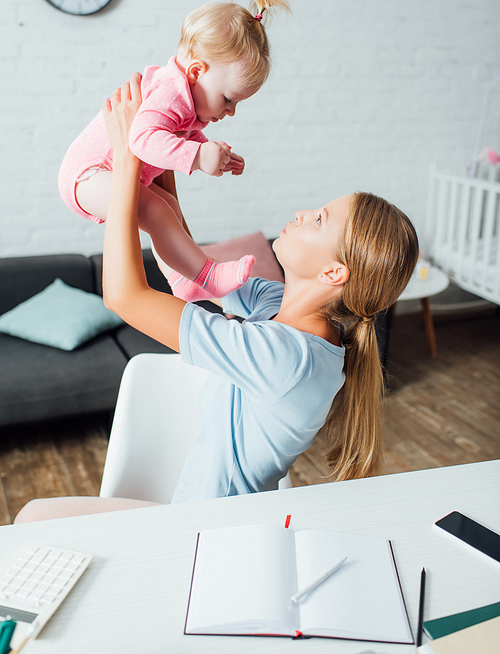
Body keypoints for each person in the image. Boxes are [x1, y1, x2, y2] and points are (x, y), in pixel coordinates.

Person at [99, 74, 419, 502]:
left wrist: (127, 160)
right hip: (189, 513)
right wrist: (162, 147)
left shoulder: (286, 358)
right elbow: (194, 271)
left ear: (333, 273)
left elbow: (124, 296)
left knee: (29, 521)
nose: (303, 212)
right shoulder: (277, 305)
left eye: (320, 219)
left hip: (207, 534)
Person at [58, 0, 290, 302]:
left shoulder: (186, 102)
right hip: (88, 175)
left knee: (168, 209)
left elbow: (181, 134)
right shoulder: (170, 91)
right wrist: (198, 156)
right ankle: (206, 274)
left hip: (104, 174)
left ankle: (184, 281)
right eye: (228, 99)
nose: (230, 111)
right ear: (197, 71)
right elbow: (142, 139)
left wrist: (217, 156)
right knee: (158, 211)